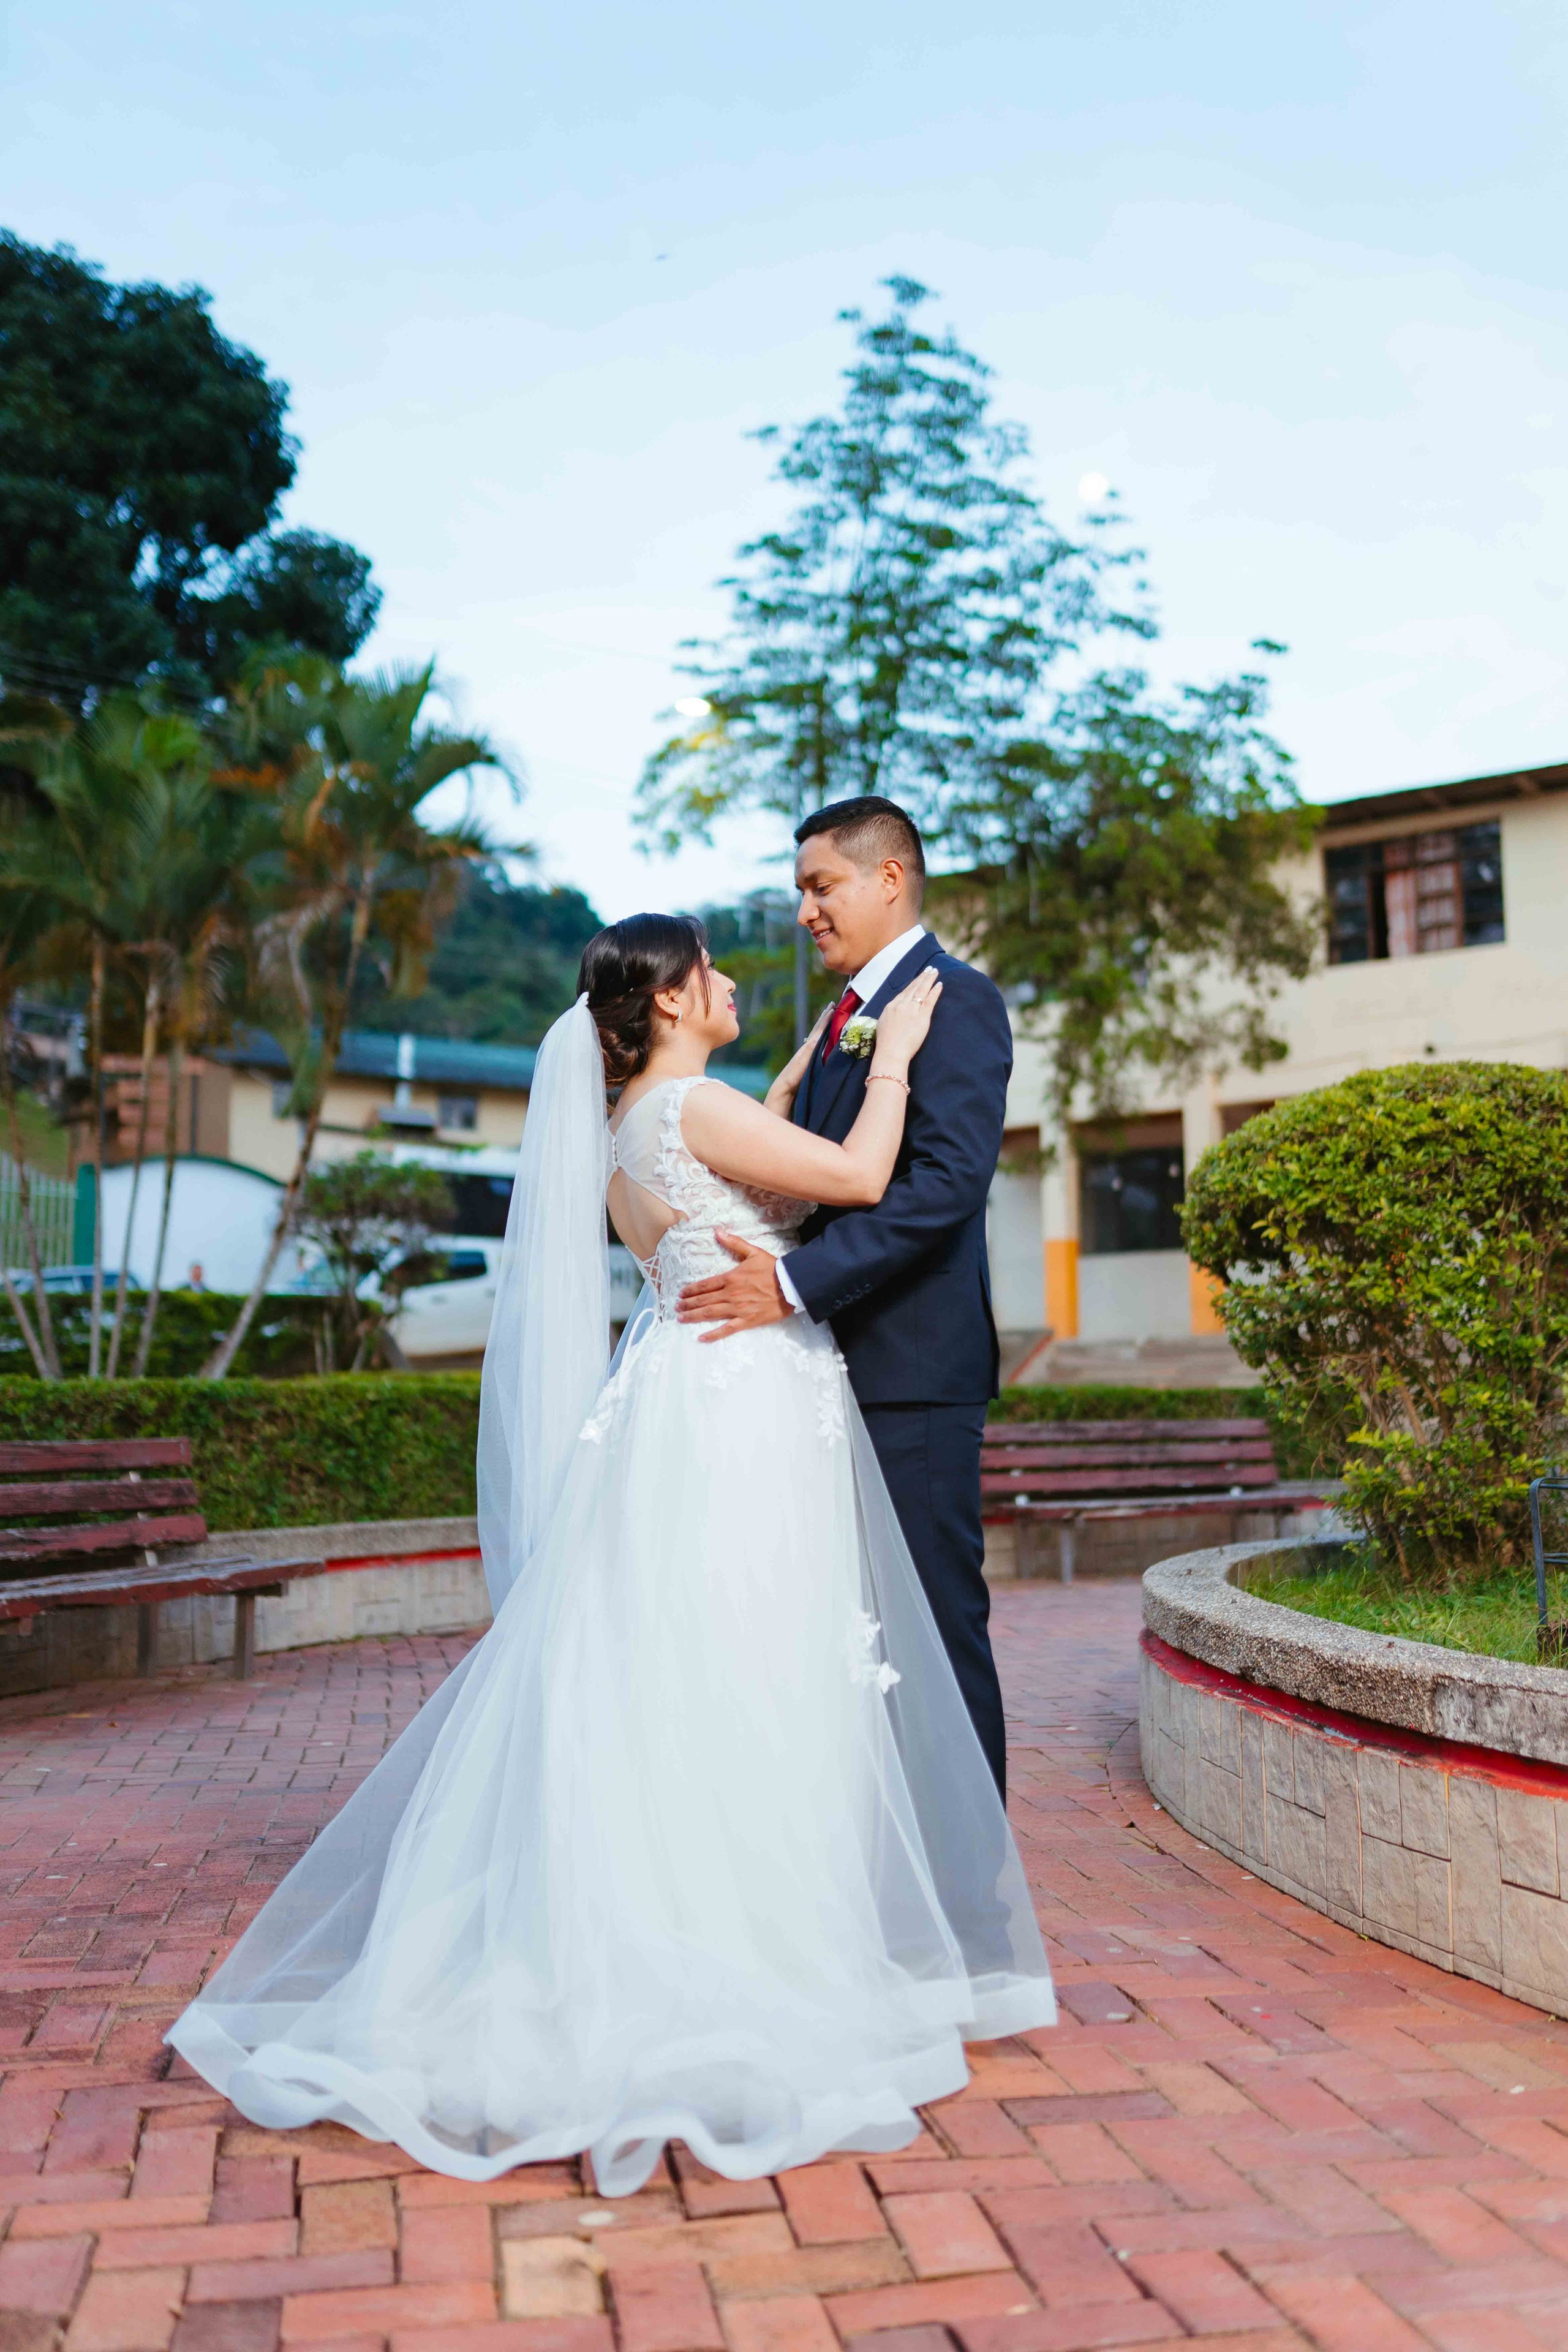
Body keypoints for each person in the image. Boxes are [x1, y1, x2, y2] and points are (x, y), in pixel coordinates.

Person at [165, 915, 1053, 2195]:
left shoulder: (631, 1134)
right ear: (679, 998)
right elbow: (854, 1183)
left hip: (677, 1413)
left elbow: (763, 1191)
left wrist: (794, 1085)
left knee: (679, 1667)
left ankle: (684, 1932)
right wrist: (899, 1056)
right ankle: (746, 1963)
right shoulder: (691, 1109)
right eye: (717, 969)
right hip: (741, 1410)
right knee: (753, 1664)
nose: (739, 978)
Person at [677, 798, 1012, 1795]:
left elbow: (945, 1188)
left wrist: (787, 1281)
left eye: (822, 888)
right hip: (822, 1379)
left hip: (912, 1372)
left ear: (889, 881)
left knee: (932, 1627)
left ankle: (965, 1874)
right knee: (848, 1631)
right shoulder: (840, 1025)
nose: (805, 912)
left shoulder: (956, 1000)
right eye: (801, 893)